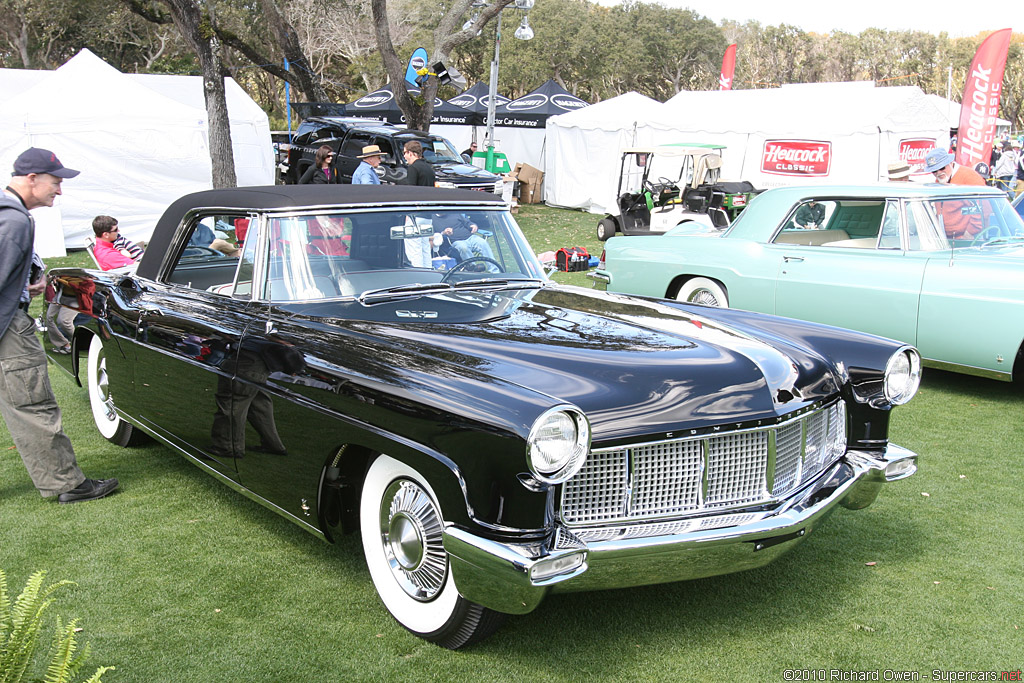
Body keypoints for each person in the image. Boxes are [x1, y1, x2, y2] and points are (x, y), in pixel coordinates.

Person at [0, 148, 119, 503]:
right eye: (56, 182)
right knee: (33, 406)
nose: (60, 190)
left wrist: (24, 284)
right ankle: (65, 484)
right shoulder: (15, 220)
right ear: (32, 179)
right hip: (7, 331)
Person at [922, 148, 986, 239]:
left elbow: (984, 208)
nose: (938, 173)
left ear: (950, 162)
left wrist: (970, 233)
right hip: (947, 237)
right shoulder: (940, 180)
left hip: (968, 238)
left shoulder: (969, 177)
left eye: (941, 168)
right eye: (934, 171)